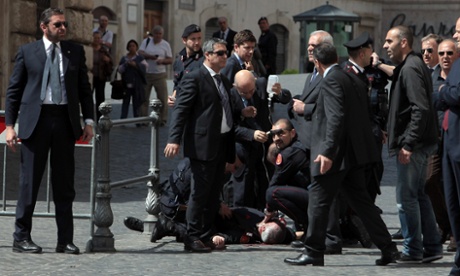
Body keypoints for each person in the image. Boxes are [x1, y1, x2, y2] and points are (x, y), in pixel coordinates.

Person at [284, 42, 398, 267]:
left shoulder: (331, 80)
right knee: (363, 203)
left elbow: (335, 117)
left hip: (335, 156)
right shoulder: (351, 76)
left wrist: (327, 152)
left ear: (317, 62)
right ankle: (388, 248)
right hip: (352, 155)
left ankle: (313, 251)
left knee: (317, 200)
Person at [5, 8, 94, 254]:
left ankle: (64, 240)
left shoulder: (74, 52)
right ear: (44, 27)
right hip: (37, 122)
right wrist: (10, 126)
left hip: (65, 122)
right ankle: (21, 237)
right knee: (28, 183)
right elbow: (13, 91)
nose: (63, 28)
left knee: (64, 184)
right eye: (57, 25)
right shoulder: (27, 52)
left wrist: (89, 121)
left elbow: (84, 90)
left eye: (64, 24)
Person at [164, 38, 236, 253]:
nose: (225, 56)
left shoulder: (222, 79)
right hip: (202, 144)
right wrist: (173, 139)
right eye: (221, 53)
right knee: (199, 193)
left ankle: (205, 234)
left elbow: (224, 111)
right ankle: (192, 236)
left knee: (214, 192)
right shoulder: (195, 77)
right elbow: (181, 110)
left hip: (221, 143)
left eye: (226, 53)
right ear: (208, 55)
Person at [384, 25, 443, 263]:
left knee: (406, 198)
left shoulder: (410, 68)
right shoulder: (412, 65)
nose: (386, 46)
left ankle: (413, 249)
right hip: (419, 142)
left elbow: (420, 108)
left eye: (390, 41)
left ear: (404, 42)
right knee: (418, 195)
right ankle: (431, 247)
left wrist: (408, 143)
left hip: (414, 145)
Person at [228, 70, 290, 209]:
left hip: (265, 146)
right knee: (244, 187)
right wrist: (251, 133)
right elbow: (230, 126)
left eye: (252, 90)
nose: (249, 95)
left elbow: (285, 98)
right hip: (244, 147)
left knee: (266, 181)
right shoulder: (230, 94)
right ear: (235, 87)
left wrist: (279, 92)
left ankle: (267, 211)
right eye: (244, 93)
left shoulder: (262, 84)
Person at [433, 18, 460, 275]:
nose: (456, 34)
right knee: (452, 204)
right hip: (449, 145)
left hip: (458, 147)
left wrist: (442, 93)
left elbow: (456, 94)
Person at [138, 25, 173, 126]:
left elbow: (170, 59)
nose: (158, 36)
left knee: (162, 98)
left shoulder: (166, 44)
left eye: (160, 34)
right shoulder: (146, 41)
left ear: (162, 35)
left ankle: (162, 119)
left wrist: (162, 61)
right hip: (147, 74)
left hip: (160, 74)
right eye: (156, 34)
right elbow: (140, 53)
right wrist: (150, 57)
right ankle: (143, 120)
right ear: (153, 34)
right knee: (144, 98)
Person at [168, 24, 204, 107]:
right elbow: (177, 83)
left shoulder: (204, 60)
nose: (197, 42)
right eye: (193, 39)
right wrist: (173, 97)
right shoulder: (179, 60)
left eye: (199, 38)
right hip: (180, 106)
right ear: (184, 40)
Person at [118, 39, 148, 120]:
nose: (132, 48)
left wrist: (136, 65)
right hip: (126, 83)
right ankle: (123, 119)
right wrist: (126, 64)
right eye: (130, 46)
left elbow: (145, 68)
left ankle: (137, 120)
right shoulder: (124, 58)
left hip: (137, 84)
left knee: (136, 103)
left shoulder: (140, 58)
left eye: (133, 46)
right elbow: (120, 69)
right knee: (125, 102)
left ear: (136, 47)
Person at [92, 31, 113, 120]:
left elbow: (111, 62)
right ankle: (89, 118)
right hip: (90, 77)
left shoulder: (103, 50)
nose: (97, 40)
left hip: (100, 77)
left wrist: (108, 60)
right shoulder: (89, 48)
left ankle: (99, 118)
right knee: (88, 97)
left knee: (100, 98)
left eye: (98, 38)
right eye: (95, 38)